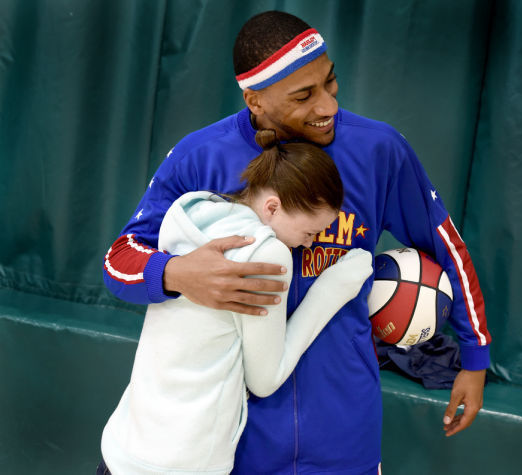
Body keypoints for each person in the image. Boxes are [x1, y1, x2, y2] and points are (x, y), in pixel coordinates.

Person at [103, 10, 492, 474]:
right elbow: (120, 259)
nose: (327, 106)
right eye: (304, 95)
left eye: (331, 84)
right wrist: (174, 273)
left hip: (344, 428)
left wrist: (475, 356)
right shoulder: (201, 156)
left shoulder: (377, 150)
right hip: (236, 438)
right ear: (255, 100)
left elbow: (447, 244)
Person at [100, 129, 373, 474]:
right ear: (272, 206)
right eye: (308, 232)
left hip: (124, 446)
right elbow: (266, 378)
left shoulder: (190, 213)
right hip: (184, 463)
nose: (308, 245)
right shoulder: (267, 253)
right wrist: (333, 288)